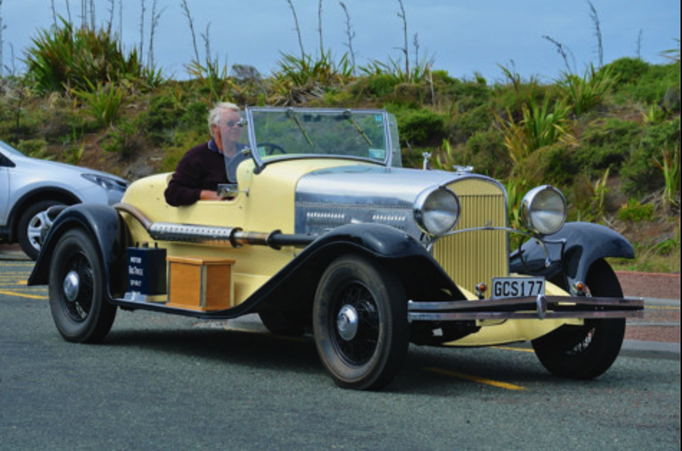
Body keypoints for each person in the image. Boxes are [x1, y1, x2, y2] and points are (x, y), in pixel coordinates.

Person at [164, 102, 246, 207]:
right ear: (215, 127)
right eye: (230, 124)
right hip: (214, 217)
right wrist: (204, 194)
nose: (236, 127)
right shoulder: (196, 156)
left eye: (240, 123)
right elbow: (172, 193)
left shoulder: (247, 153)